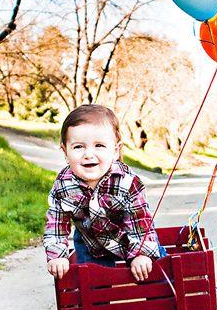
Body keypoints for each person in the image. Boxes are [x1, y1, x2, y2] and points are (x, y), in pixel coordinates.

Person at [43, 104, 164, 282]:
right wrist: (58, 255)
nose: (88, 154)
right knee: (91, 287)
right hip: (92, 246)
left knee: (155, 273)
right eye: (78, 147)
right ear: (65, 152)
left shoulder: (127, 182)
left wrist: (141, 254)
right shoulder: (63, 186)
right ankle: (99, 305)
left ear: (115, 151)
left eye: (99, 146)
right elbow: (56, 225)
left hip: (130, 238)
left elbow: (140, 221)